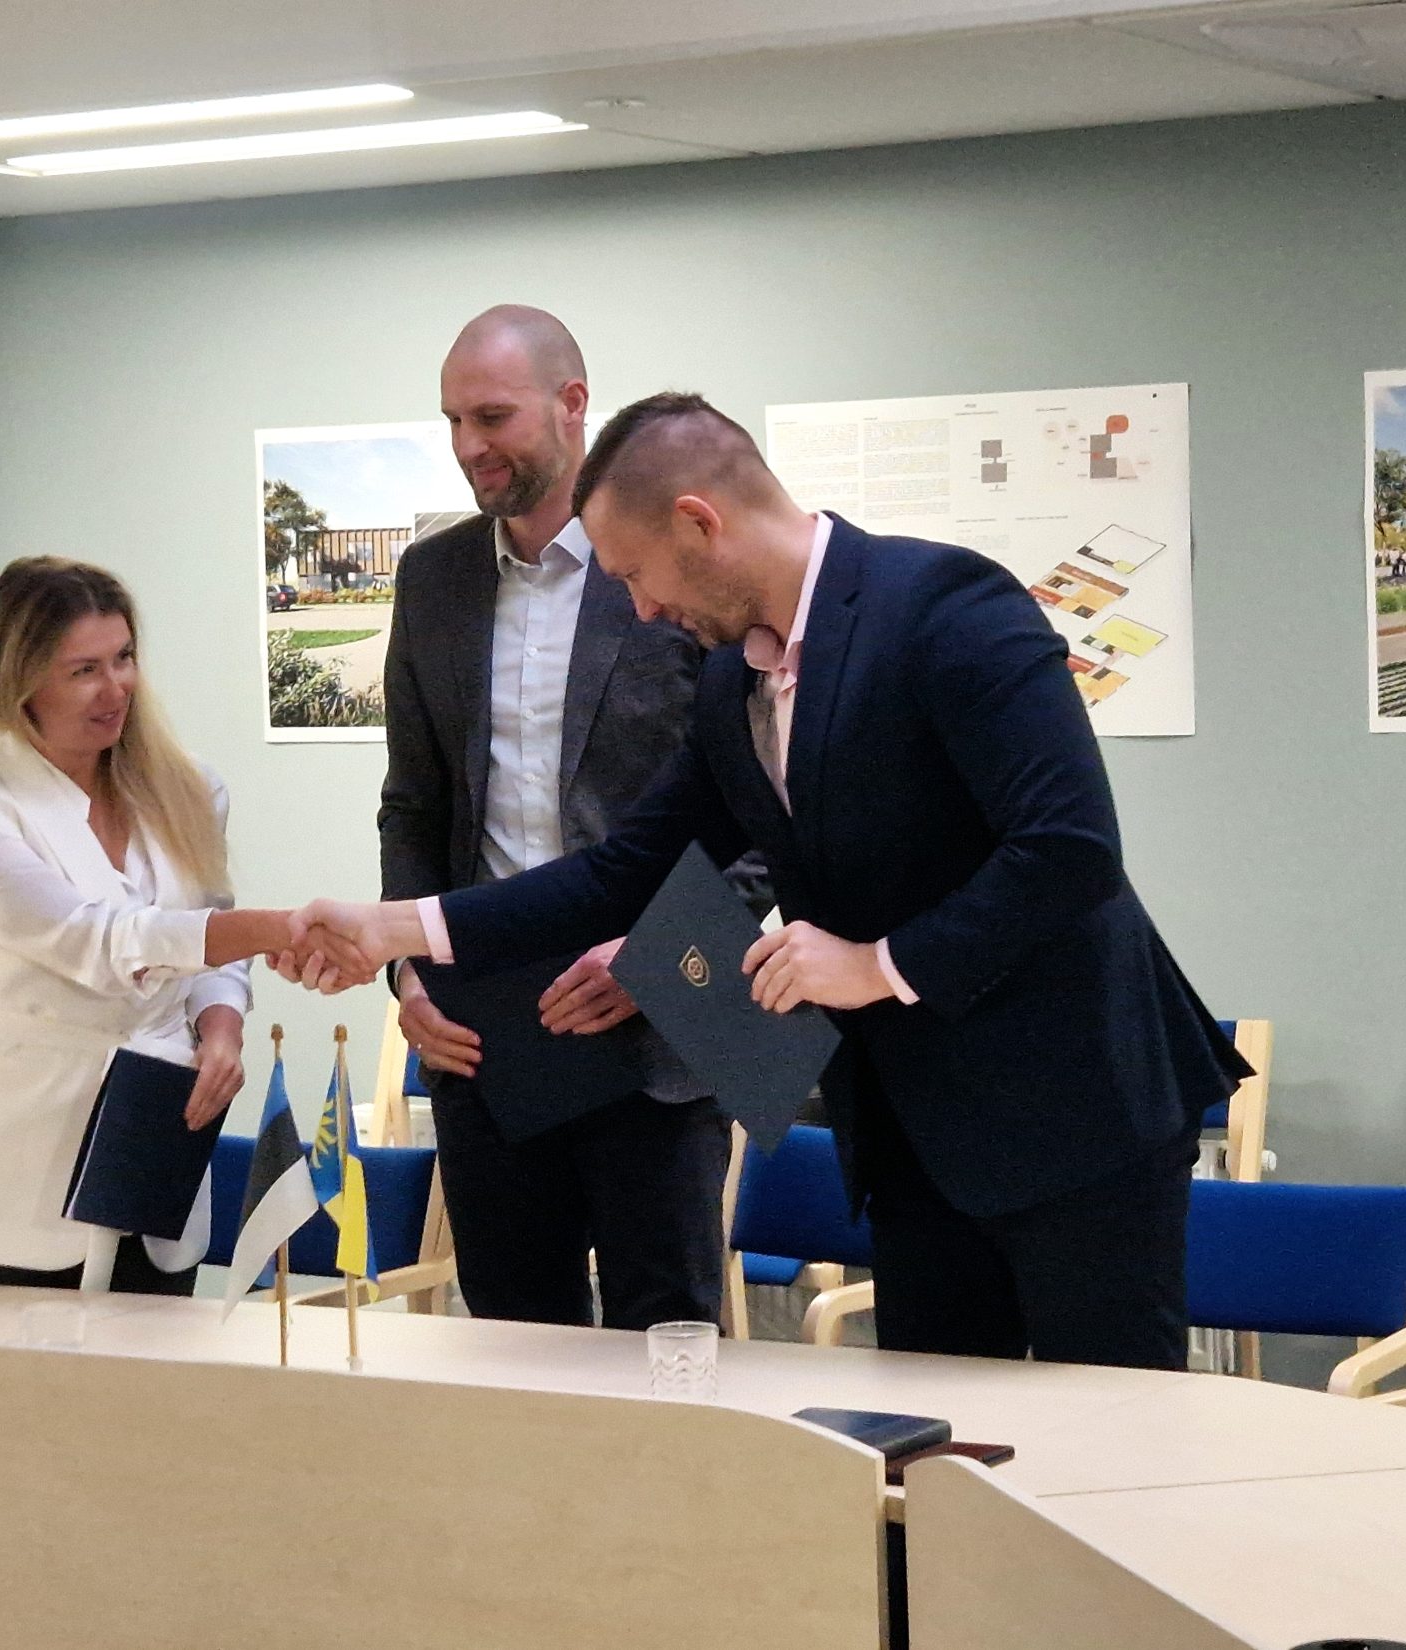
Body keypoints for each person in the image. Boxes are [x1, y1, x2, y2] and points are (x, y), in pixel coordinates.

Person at [293, 393, 1249, 1368]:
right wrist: (397, 930)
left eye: (636, 575)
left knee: (1108, 1430)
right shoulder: (731, 681)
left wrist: (877, 964)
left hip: (1076, 1108)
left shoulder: (946, 602)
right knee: (945, 1431)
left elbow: (1070, 848)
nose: (641, 609)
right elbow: (622, 873)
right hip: (911, 1128)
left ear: (697, 522)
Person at [377, 306, 753, 1331]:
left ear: (572, 403)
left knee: (668, 1339)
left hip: (661, 1012)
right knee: (511, 1341)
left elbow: (759, 815)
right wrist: (408, 970)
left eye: (492, 417)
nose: (469, 446)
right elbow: (413, 802)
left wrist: (659, 955)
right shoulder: (433, 580)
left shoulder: (672, 568)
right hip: (486, 1030)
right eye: (453, 421)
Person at [0, 556, 330, 1293]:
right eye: (84, 670)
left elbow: (210, 937)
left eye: (124, 658)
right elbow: (107, 943)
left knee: (153, 1360)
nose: (116, 686)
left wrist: (221, 1030)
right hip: (6, 1166)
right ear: (20, 681)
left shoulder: (191, 789)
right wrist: (281, 927)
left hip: (156, 1144)